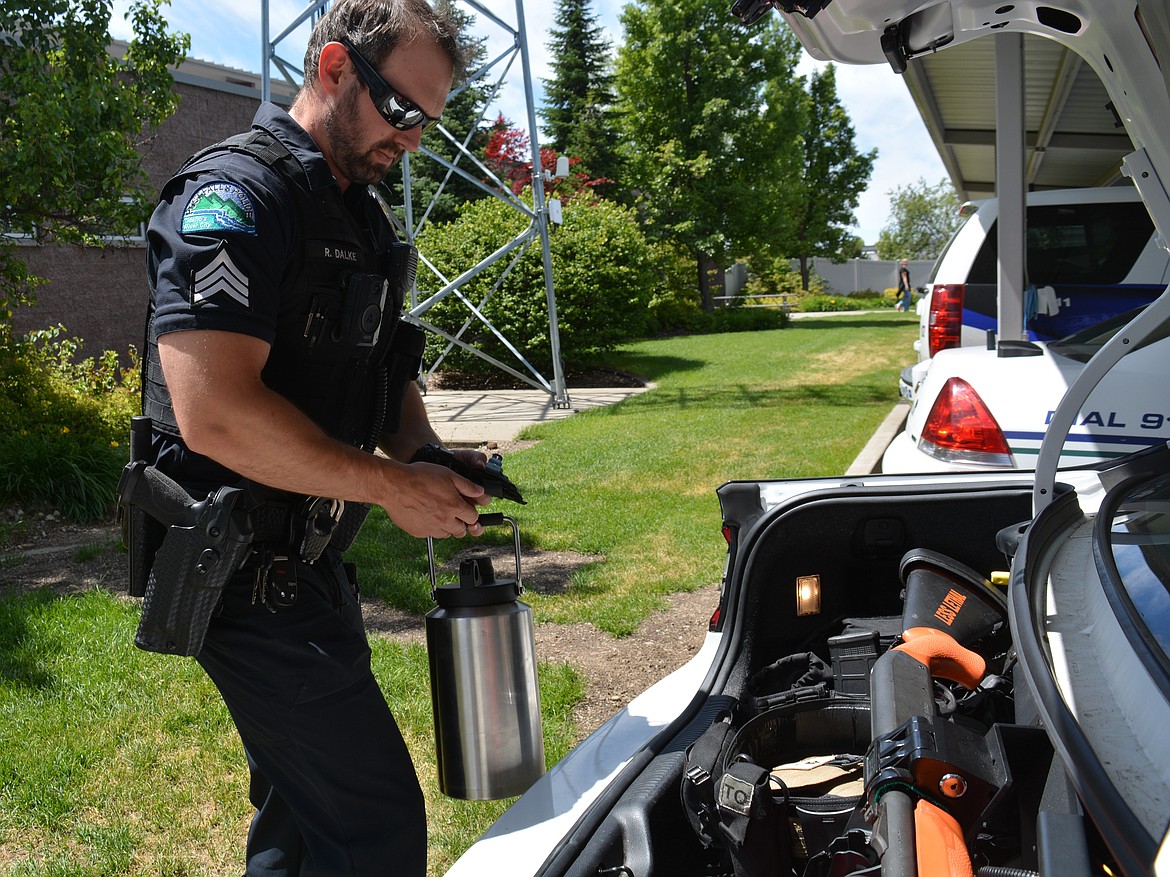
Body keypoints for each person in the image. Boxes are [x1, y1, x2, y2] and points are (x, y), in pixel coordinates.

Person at [139, 1, 481, 873]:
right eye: (401, 113)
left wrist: (426, 454)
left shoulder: (360, 217)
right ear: (334, 69)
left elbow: (386, 376)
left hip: (311, 562)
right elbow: (211, 410)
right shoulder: (235, 197)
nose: (409, 143)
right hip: (241, 569)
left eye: (427, 128)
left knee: (306, 818)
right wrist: (389, 485)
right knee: (372, 826)